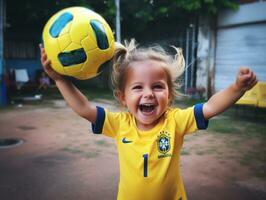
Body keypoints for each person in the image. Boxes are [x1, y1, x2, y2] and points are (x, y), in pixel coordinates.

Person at [40, 40, 257, 200]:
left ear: (169, 96)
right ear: (123, 97)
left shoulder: (175, 121)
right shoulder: (118, 124)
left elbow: (210, 107)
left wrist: (236, 88)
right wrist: (59, 79)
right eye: (137, 87)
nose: (148, 94)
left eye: (157, 86)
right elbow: (84, 108)